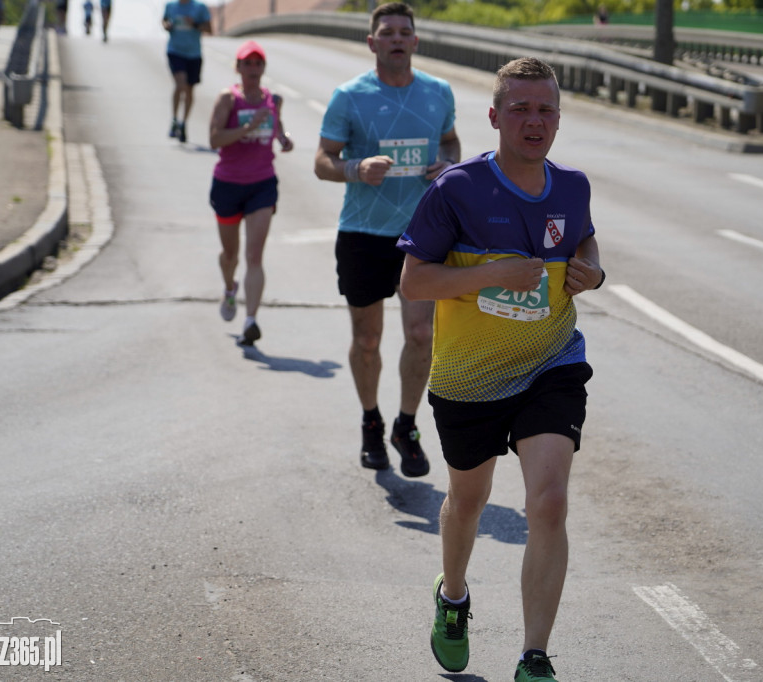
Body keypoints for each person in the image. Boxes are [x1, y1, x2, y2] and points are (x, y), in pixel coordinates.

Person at [397, 57, 604, 682]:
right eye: (520, 109)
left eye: (545, 110)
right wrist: (490, 273)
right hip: (468, 377)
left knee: (549, 502)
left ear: (559, 119)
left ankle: (534, 656)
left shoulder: (572, 186)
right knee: (468, 501)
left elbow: (585, 241)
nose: (533, 121)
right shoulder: (456, 189)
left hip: (551, 362)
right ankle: (453, 597)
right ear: (494, 117)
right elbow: (413, 282)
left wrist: (592, 268)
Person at [314, 2, 460, 479]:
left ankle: (406, 425)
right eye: (387, 32)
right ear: (372, 42)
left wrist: (448, 165)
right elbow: (322, 161)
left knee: (421, 334)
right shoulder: (349, 96)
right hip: (362, 233)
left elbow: (452, 142)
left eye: (405, 32)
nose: (397, 38)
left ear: (415, 42)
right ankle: (371, 421)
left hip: (422, 234)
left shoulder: (438, 93)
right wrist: (355, 169)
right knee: (368, 339)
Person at [209, 40, 293, 346]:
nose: (253, 69)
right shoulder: (228, 99)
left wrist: (284, 139)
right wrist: (248, 127)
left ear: (263, 68)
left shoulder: (273, 100)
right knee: (230, 254)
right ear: (239, 68)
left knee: (254, 255)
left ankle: (250, 321)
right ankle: (230, 287)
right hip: (228, 184)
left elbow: (278, 128)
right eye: (248, 64)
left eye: (258, 64)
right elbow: (214, 139)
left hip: (262, 184)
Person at [162, 0, 211, 143]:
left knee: (189, 90)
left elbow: (209, 29)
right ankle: (174, 119)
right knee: (180, 84)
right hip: (175, 51)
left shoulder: (200, 8)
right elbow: (164, 21)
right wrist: (167, 26)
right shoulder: (170, 6)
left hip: (194, 54)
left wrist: (194, 24)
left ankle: (184, 123)